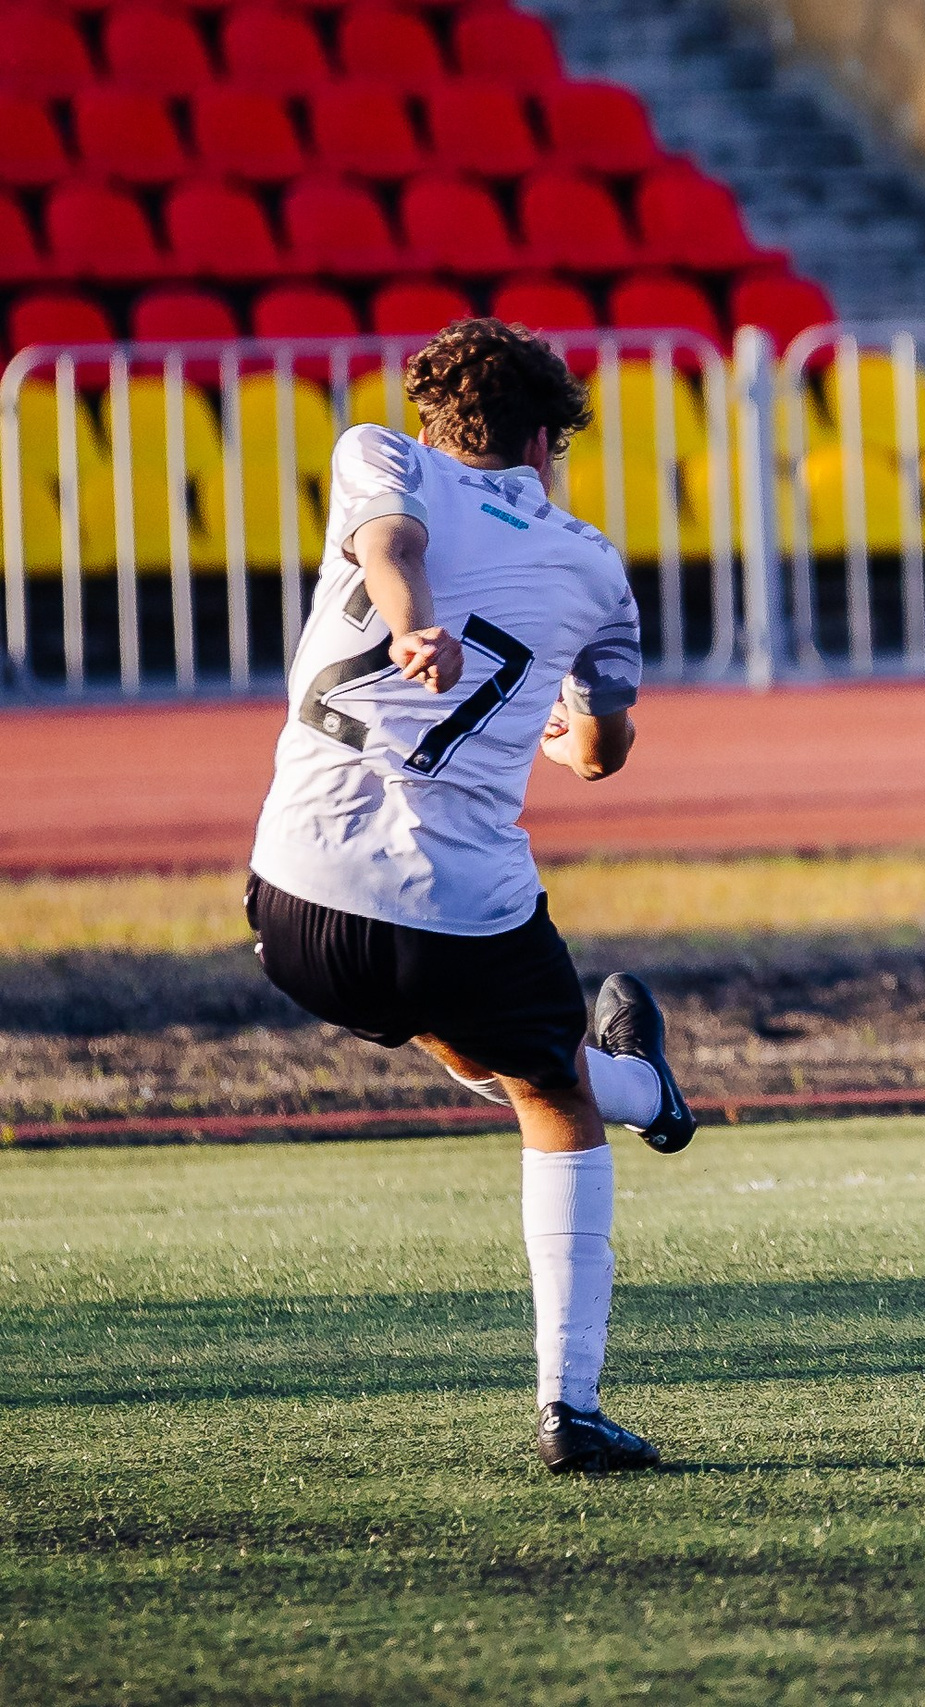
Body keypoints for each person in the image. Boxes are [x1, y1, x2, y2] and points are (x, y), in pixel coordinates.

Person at [245, 319, 698, 1471]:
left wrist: (412, 623)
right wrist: (465, 665)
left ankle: (643, 1090)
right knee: (554, 1098)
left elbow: (388, 539)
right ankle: (571, 1409)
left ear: (438, 417)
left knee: (501, 1049)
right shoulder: (594, 567)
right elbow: (600, 754)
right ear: (549, 437)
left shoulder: (375, 450)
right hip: (454, 905)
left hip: (293, 905)